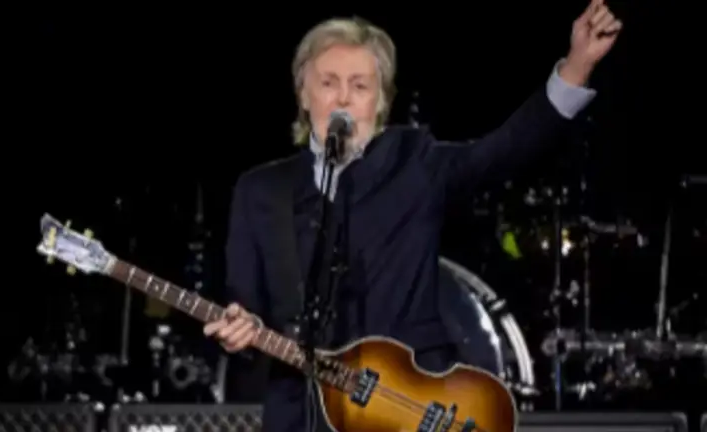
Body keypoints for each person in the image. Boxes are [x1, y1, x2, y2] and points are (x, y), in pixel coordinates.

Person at [206, 1, 622, 430]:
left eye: (360, 86)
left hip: (408, 407)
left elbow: (503, 152)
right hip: (302, 412)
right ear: (303, 95)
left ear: (380, 102)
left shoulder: (413, 163)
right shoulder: (261, 190)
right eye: (328, 83)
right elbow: (244, 306)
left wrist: (576, 67)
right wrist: (242, 330)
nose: (343, 98)